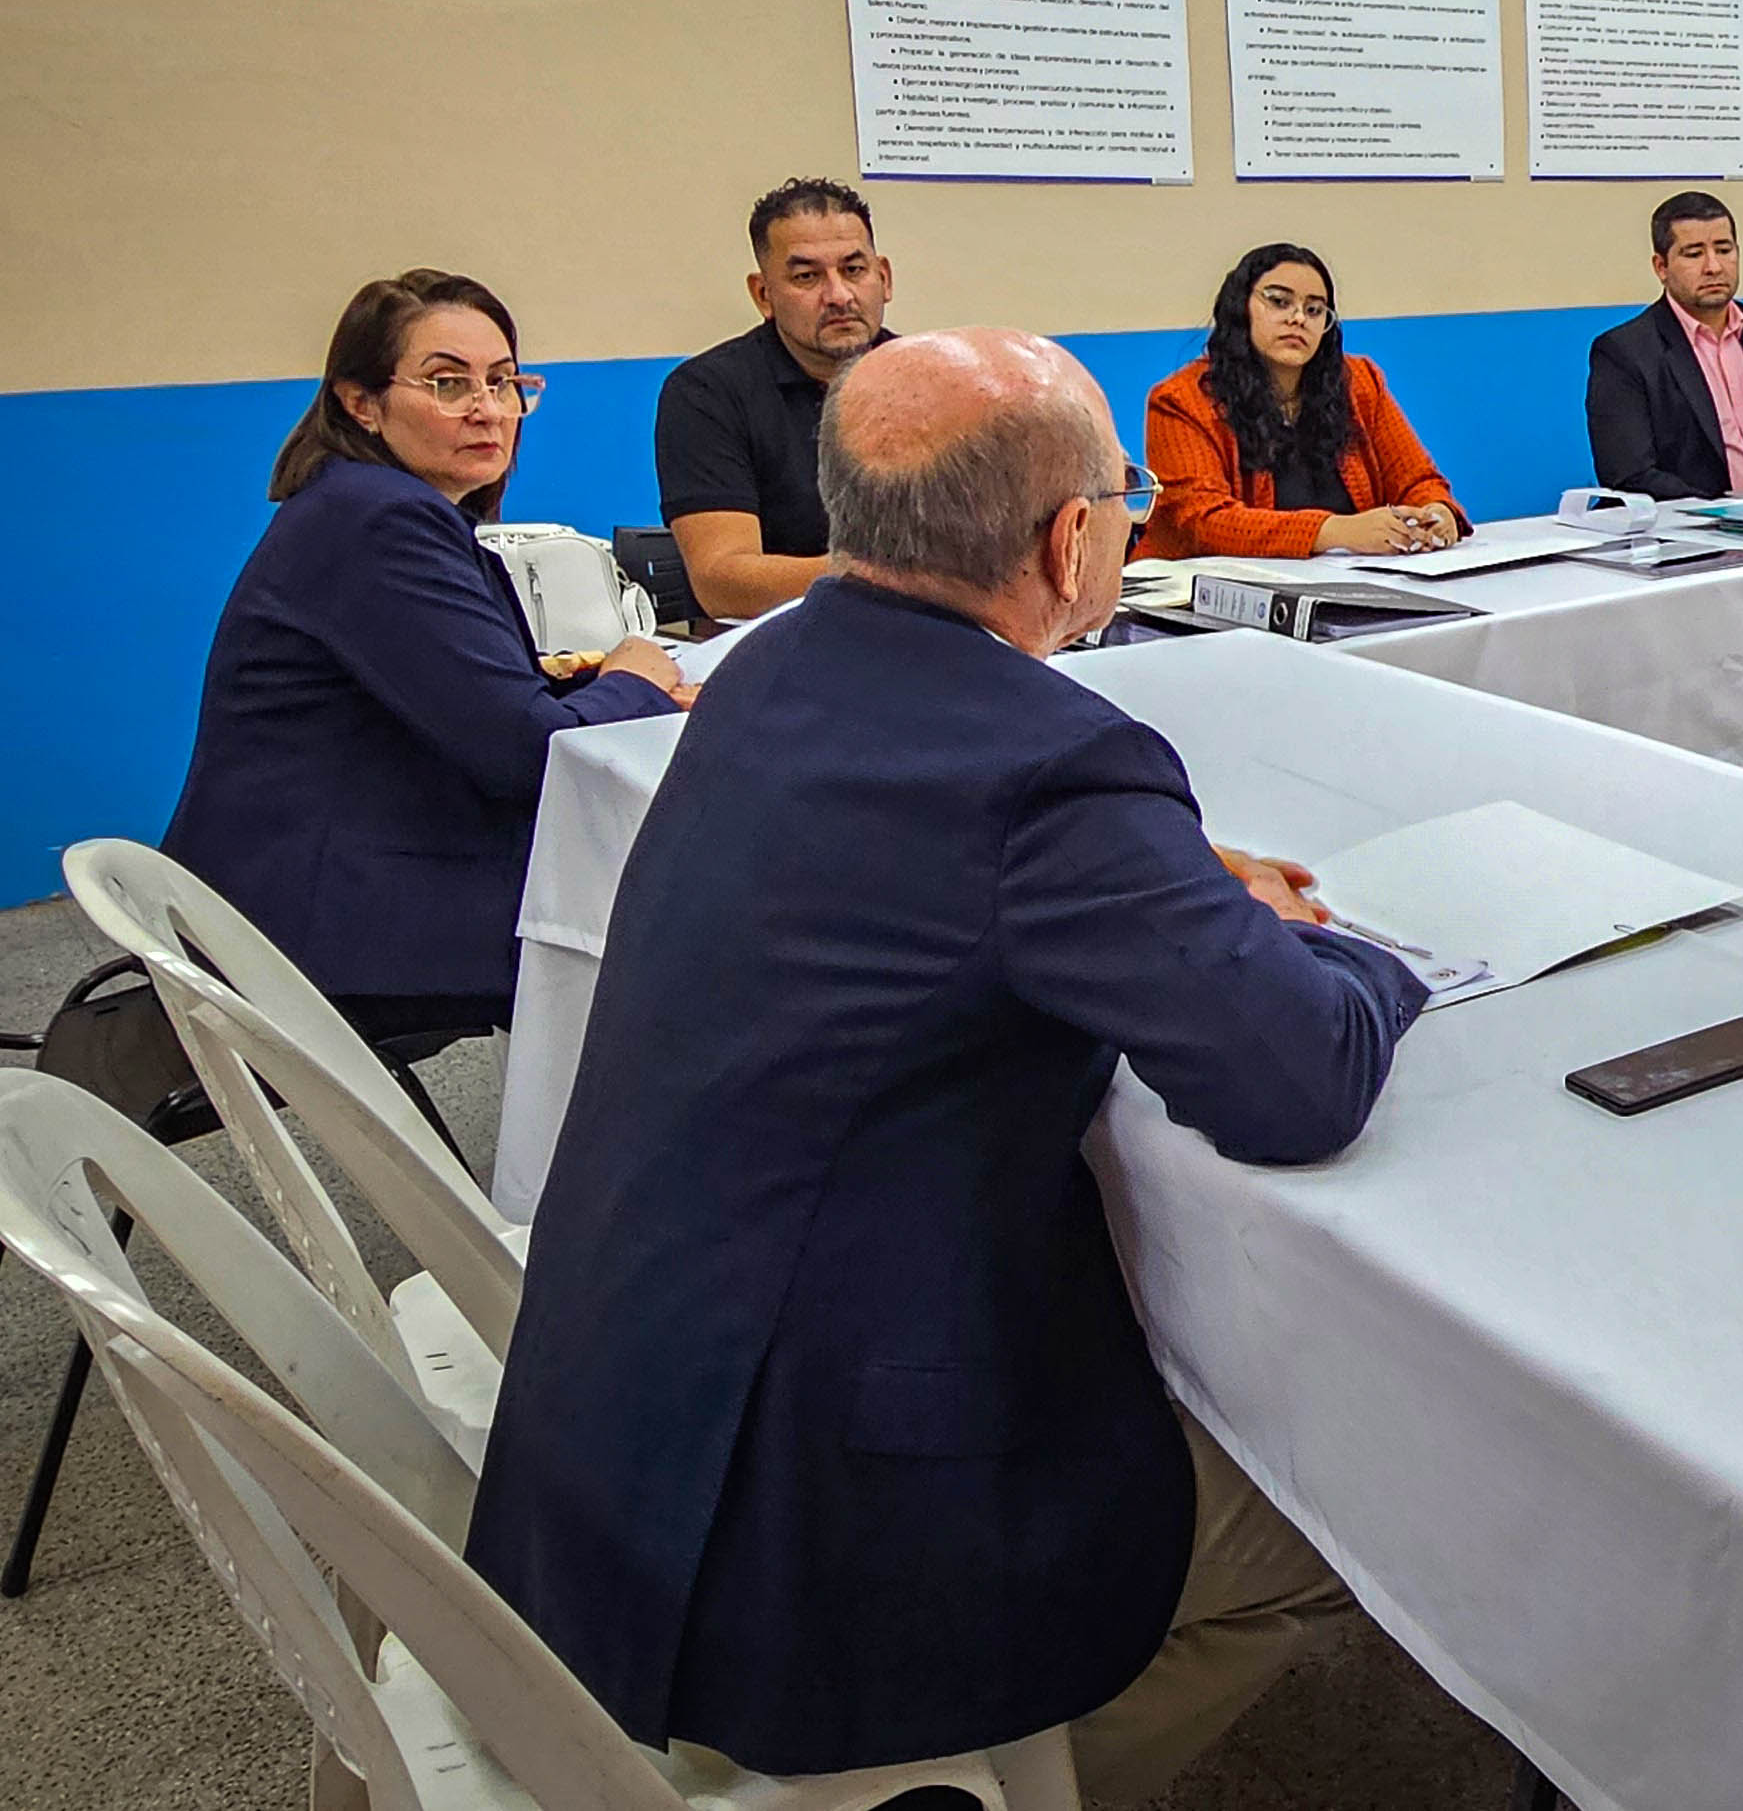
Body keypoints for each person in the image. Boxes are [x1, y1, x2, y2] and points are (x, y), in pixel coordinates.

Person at [469, 330, 1423, 1803]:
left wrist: (1158, 881)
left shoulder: (776, 667)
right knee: (1344, 1520)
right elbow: (1292, 1085)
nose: (1130, 514)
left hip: (621, 1432)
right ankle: (972, 1789)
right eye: (1123, 493)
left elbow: (916, 875)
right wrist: (1372, 952)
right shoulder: (1048, 760)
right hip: (823, 1524)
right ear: (1067, 541)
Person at [161, 272, 689, 1048]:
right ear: (361, 402)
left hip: (319, 874)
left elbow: (452, 693)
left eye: (504, 382)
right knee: (683, 924)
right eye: (448, 383)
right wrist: (634, 682)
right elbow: (523, 754)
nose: (487, 408)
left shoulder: (373, 504)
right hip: (324, 923)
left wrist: (586, 685)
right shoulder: (379, 521)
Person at [656, 177, 898, 619]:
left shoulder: (934, 381)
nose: (838, 296)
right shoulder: (706, 393)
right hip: (775, 645)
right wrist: (901, 577)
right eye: (807, 277)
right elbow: (721, 582)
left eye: (853, 270)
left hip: (930, 639)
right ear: (763, 294)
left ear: (883, 278)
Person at [1141, 243, 1466, 560]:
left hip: (1347, 585)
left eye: (1314, 310)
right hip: (1208, 594)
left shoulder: (1361, 382)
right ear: (1240, 307)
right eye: (1279, 302)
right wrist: (1337, 532)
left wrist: (1436, 511)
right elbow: (1202, 521)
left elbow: (1418, 479)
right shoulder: (1181, 400)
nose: (1298, 319)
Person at [1587, 191, 1743, 499]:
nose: (1713, 267)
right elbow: (1629, 474)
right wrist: (1727, 510)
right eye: (1693, 254)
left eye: (1724, 249)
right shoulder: (1625, 352)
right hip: (1692, 528)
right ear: (1661, 267)